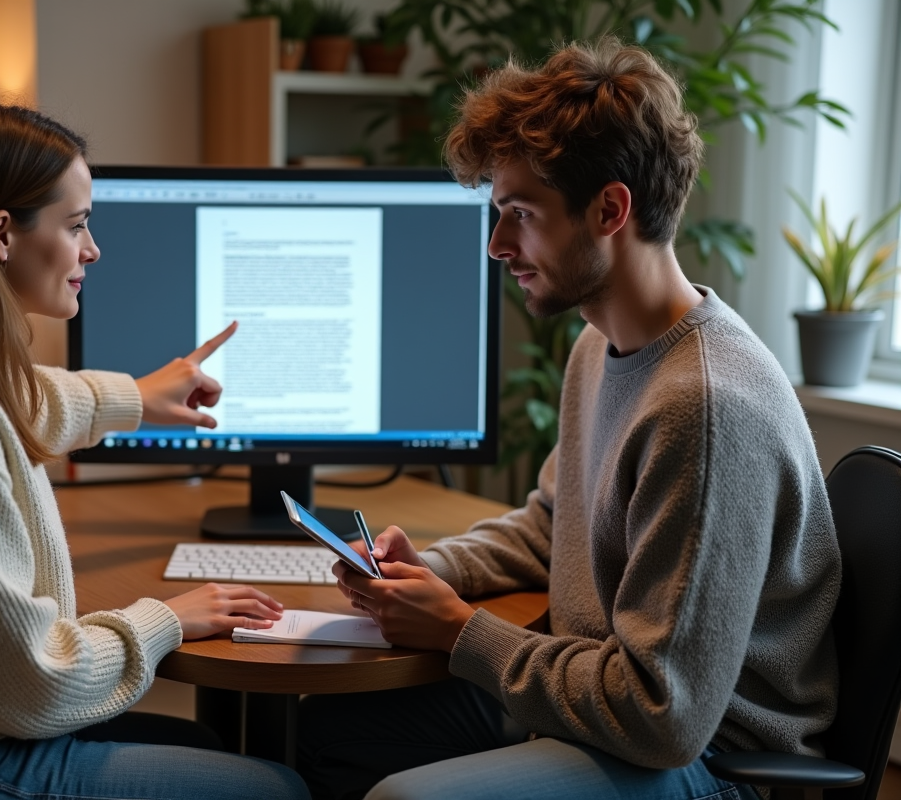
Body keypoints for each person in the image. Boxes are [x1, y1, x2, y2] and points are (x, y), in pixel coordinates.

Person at [297, 38, 841, 800]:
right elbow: (555, 523)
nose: (496, 246)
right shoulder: (601, 345)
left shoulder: (706, 408)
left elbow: (664, 716)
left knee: (403, 799)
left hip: (709, 760)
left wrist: (459, 630)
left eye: (520, 214)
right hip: (600, 700)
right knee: (324, 731)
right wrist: (430, 571)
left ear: (611, 209)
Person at [0, 100, 310, 800]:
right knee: (279, 791)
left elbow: (33, 402)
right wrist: (166, 617)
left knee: (208, 748)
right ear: (2, 235)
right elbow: (34, 686)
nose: (92, 249)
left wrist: (140, 398)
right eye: (77, 225)